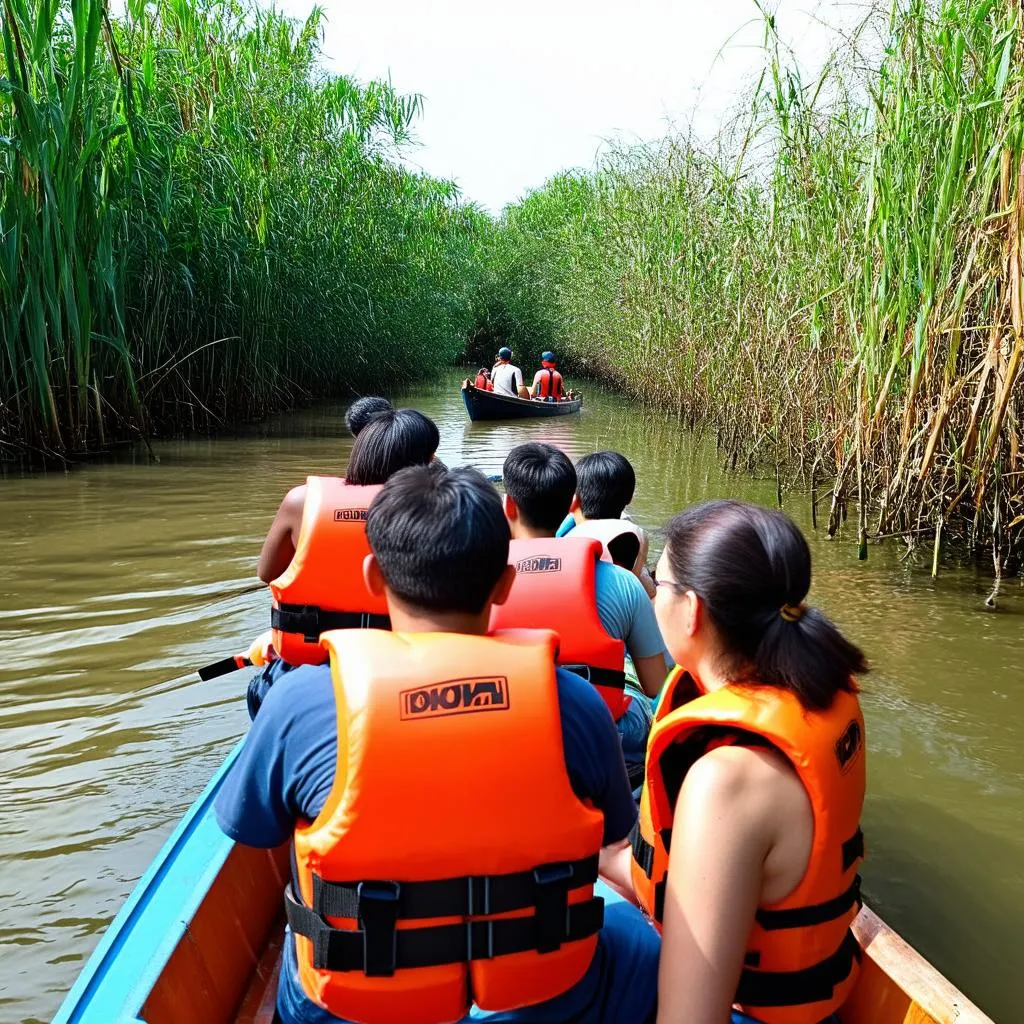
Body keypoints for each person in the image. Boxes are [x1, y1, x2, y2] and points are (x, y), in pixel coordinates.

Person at [215, 465, 661, 1024]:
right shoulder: (576, 703)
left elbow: (251, 829)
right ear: (505, 582)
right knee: (627, 932)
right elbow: (614, 839)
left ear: (373, 578)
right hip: (542, 999)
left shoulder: (301, 701)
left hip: (349, 1010)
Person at [626, 499, 867, 1024]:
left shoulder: (726, 782)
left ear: (691, 611)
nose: (652, 595)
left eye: (659, 585)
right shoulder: (818, 690)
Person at [492, 443, 670, 788]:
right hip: (602, 740)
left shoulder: (481, 581)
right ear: (572, 503)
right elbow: (655, 685)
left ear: (508, 505)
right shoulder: (623, 583)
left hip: (515, 734)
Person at [245, 409, 441, 716]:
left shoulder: (302, 501)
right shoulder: (436, 510)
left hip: (309, 662)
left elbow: (267, 573)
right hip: (397, 663)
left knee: (261, 688)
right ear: (427, 461)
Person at [557, 451, 655, 598]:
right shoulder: (637, 536)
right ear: (630, 498)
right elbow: (645, 588)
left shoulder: (563, 538)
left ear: (573, 500)